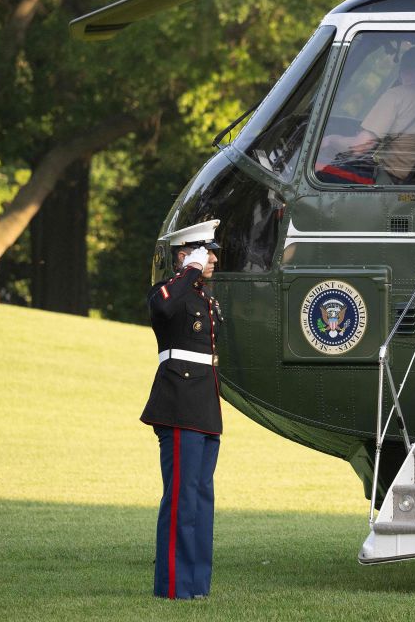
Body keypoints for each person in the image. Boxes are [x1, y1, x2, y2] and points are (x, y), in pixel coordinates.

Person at [140, 219, 223, 600]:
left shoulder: (204, 299)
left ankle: (196, 586)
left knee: (202, 498)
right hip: (178, 403)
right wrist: (190, 268)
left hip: (203, 405)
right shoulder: (169, 292)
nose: (214, 259)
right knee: (181, 498)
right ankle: (173, 587)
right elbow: (162, 308)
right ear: (185, 255)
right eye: (207, 251)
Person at [317, 48, 415, 184]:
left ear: (404, 71)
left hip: (388, 180)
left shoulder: (397, 95)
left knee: (320, 174)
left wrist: (330, 140)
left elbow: (359, 147)